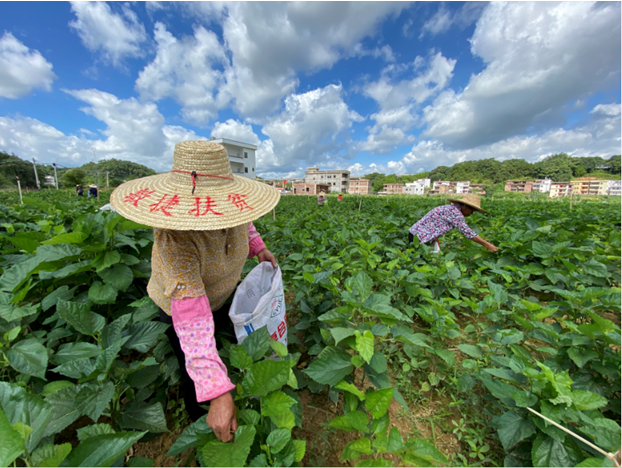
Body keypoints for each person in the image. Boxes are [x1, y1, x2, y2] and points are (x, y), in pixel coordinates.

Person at [110, 141, 280, 443]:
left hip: (218, 298)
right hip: (181, 309)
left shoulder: (232, 207)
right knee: (194, 373)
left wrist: (259, 248)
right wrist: (216, 391)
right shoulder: (175, 239)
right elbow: (191, 318)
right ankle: (204, 429)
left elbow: (245, 223)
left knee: (222, 340)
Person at [408, 194, 498, 252]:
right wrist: (487, 245)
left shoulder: (450, 208)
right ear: (465, 206)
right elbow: (468, 232)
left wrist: (435, 239)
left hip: (417, 235)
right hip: (418, 237)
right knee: (416, 261)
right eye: (472, 210)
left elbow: (434, 225)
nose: (471, 213)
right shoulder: (455, 213)